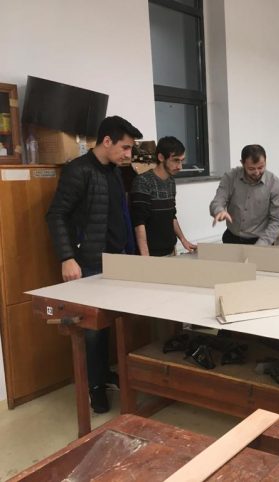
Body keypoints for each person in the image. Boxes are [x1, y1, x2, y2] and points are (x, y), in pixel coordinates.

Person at [46, 115, 143, 413]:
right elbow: (56, 215)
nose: (129, 154)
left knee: (107, 325)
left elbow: (118, 215)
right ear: (107, 141)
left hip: (115, 262)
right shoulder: (78, 170)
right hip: (88, 263)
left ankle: (103, 375)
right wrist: (67, 257)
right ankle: (94, 387)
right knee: (91, 330)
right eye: (125, 147)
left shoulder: (114, 171)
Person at [131, 136, 196, 256]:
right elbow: (139, 222)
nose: (180, 167)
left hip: (170, 250)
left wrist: (183, 240)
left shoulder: (171, 181)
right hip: (151, 254)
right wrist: (145, 257)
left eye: (182, 161)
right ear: (161, 157)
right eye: (176, 160)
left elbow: (172, 215)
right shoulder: (143, 181)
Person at [210, 144, 279, 245]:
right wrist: (219, 210)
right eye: (251, 168)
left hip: (261, 240)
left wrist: (261, 244)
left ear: (266, 161)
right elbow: (217, 201)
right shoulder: (230, 177)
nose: (257, 172)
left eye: (261, 167)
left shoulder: (275, 184)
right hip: (232, 238)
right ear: (242, 163)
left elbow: (277, 220)